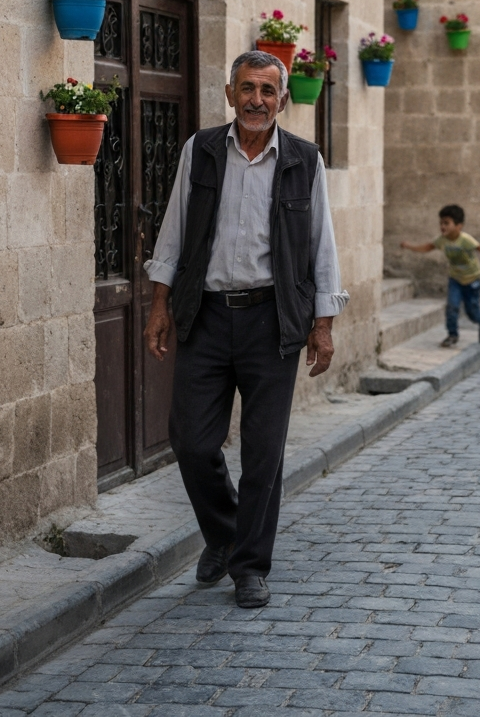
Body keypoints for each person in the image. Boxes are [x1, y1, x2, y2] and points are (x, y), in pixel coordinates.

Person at [143, 50, 349, 609]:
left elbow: (320, 244)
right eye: (246, 88)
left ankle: (250, 566)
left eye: (267, 90)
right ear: (229, 94)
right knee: (191, 440)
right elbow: (175, 227)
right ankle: (225, 532)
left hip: (271, 318)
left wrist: (323, 322)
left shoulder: (305, 160)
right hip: (206, 315)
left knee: (263, 452)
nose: (256, 99)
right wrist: (160, 303)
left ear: (283, 99)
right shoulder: (201, 149)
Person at [400, 205, 480, 347]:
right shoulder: (442, 240)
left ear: (459, 226)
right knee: (452, 306)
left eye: (446, 223)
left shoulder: (466, 240)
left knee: (472, 310)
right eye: (441, 223)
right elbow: (427, 247)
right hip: (456, 280)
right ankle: (452, 335)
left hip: (472, 280)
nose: (442, 226)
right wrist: (410, 246)